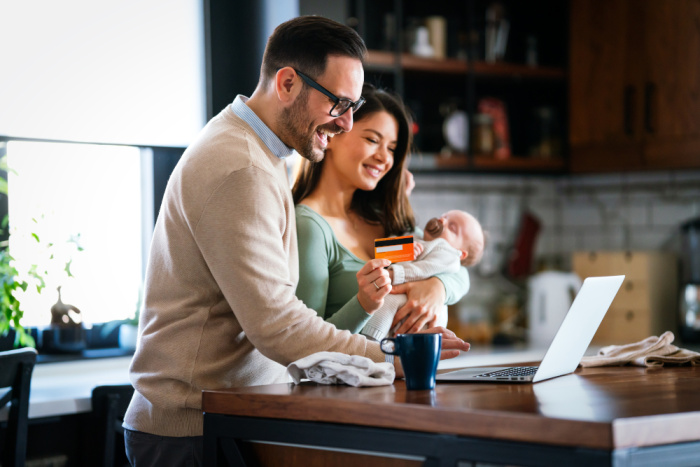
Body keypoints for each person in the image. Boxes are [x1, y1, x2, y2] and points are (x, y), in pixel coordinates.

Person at [123, 16, 469, 467]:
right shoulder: (241, 166)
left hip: (222, 417)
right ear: (287, 83)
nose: (346, 122)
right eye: (339, 104)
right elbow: (278, 325)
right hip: (192, 430)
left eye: (354, 106)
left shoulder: (260, 153)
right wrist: (390, 355)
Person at [293, 84, 472, 340]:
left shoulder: (382, 217)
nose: (384, 158)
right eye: (372, 140)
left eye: (391, 148)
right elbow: (305, 341)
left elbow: (456, 264)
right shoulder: (310, 227)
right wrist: (364, 304)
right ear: (331, 134)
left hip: (401, 377)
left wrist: (438, 287)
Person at [361, 209, 485, 341]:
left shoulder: (448, 254)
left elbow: (421, 270)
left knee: (388, 302)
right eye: (444, 217)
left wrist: (393, 274)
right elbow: (380, 251)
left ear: (460, 253)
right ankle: (370, 343)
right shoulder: (416, 237)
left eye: (452, 227)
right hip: (404, 300)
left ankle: (370, 340)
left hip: (420, 310)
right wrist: (404, 247)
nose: (442, 221)